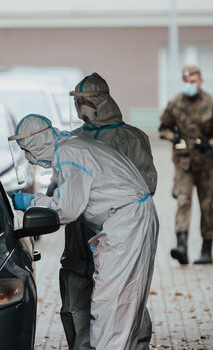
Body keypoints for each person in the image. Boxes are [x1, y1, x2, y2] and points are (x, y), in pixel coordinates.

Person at [9, 114, 159, 350]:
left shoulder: (70, 154)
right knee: (120, 303)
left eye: (26, 149)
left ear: (37, 142)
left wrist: (31, 202)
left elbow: (66, 210)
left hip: (126, 224)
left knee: (111, 304)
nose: (29, 158)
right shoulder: (70, 147)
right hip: (127, 221)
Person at [52, 72, 157, 350]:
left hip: (118, 237)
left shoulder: (131, 137)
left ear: (102, 100)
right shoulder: (73, 140)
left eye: (86, 100)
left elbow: (145, 185)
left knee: (123, 304)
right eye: (78, 100)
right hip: (79, 243)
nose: (81, 106)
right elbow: (60, 190)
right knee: (78, 306)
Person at [159, 65, 213, 265]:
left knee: (208, 205)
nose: (190, 85)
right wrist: (173, 138)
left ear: (200, 81)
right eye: (187, 82)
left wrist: (209, 143)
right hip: (183, 162)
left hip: (207, 163)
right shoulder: (175, 103)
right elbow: (163, 128)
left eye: (193, 81)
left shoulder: (210, 103)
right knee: (183, 201)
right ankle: (181, 245)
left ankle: (207, 247)